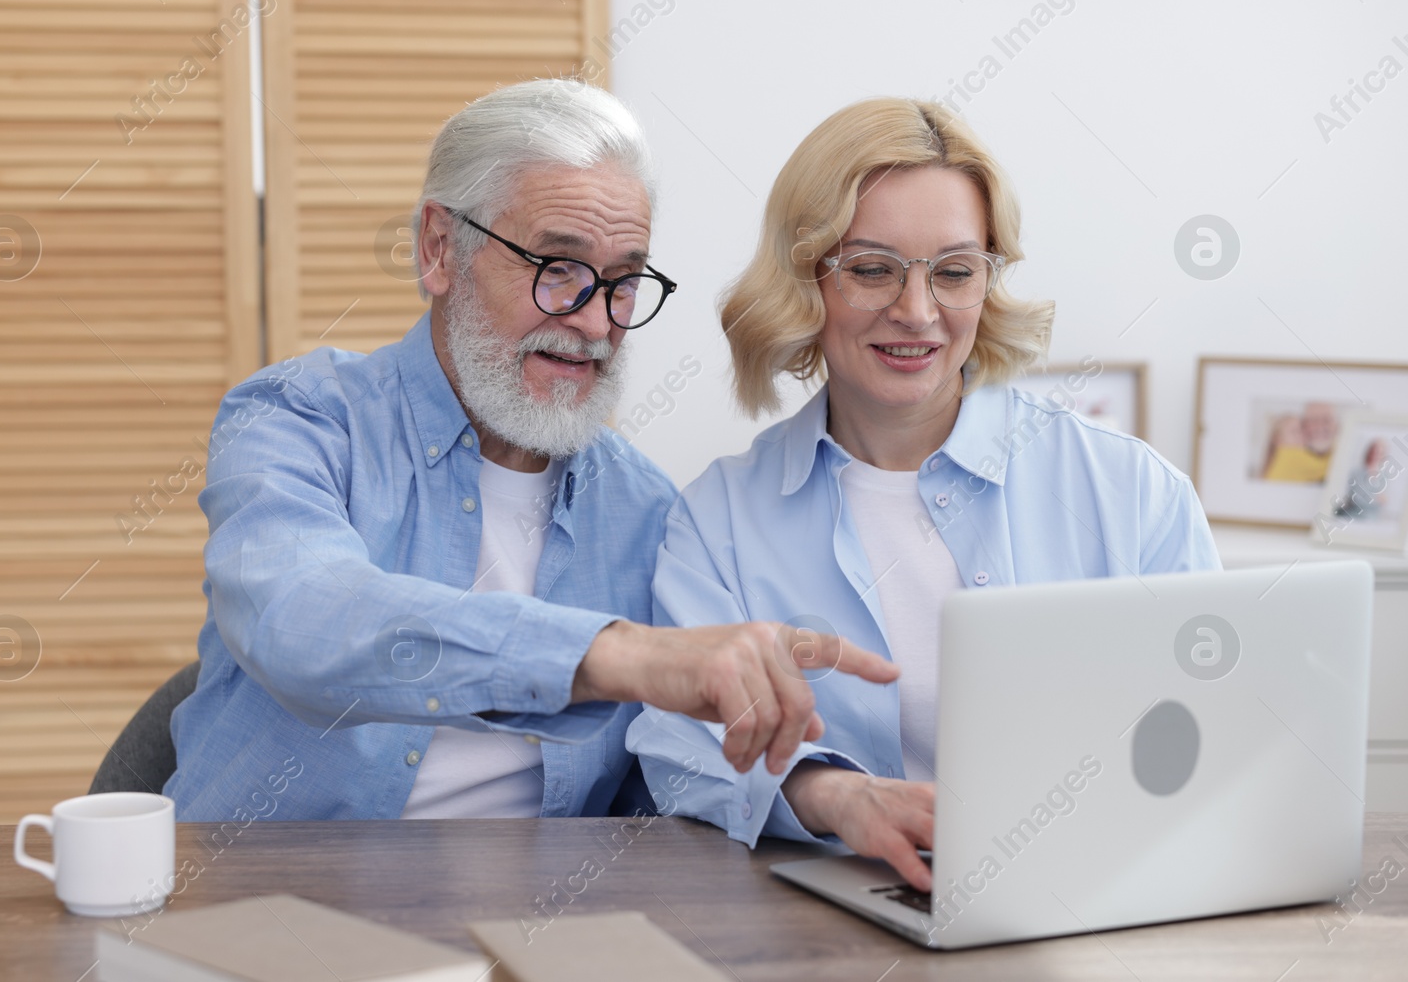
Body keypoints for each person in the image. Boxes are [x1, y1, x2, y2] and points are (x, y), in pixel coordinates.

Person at [166, 80, 898, 823]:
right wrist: (616, 654)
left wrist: (821, 793)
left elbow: (667, 774)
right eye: (557, 268)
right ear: (439, 248)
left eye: (623, 282)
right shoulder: (301, 417)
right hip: (262, 906)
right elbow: (299, 618)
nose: (594, 322)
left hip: (528, 919)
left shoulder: (645, 510)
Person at [627, 97, 1220, 891]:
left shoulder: (1130, 490)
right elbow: (676, 744)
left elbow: (1212, 723)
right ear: (806, 279)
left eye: (954, 271)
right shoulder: (718, 520)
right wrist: (828, 792)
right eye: (872, 269)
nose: (917, 311)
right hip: (826, 925)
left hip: (1097, 903)